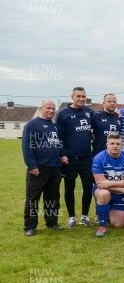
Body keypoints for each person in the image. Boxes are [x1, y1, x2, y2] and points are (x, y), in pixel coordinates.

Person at [22, 99, 65, 235]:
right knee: (33, 198)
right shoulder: (32, 125)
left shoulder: (54, 126)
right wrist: (32, 165)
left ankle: (52, 222)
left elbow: (58, 143)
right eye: (48, 108)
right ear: (41, 108)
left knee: (52, 198)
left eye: (53, 109)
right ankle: (30, 226)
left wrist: (62, 155)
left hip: (54, 168)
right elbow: (27, 147)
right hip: (38, 169)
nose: (51, 111)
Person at [56, 86, 95, 228]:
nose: (81, 99)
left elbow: (102, 117)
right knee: (69, 188)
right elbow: (58, 137)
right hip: (70, 159)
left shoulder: (89, 112)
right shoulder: (62, 114)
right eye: (78, 96)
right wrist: (63, 154)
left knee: (88, 187)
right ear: (72, 97)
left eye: (83, 96)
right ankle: (71, 217)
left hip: (86, 158)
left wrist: (116, 112)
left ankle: (84, 216)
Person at [92, 133, 124, 237]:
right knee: (103, 194)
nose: (115, 146)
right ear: (107, 145)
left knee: (118, 224)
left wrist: (110, 183)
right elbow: (101, 185)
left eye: (118, 143)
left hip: (119, 191)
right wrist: (121, 189)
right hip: (107, 190)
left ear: (121, 145)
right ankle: (102, 225)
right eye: (112, 143)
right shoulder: (98, 158)